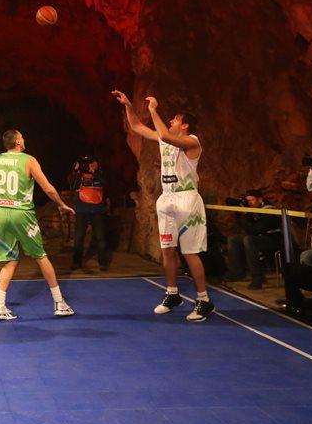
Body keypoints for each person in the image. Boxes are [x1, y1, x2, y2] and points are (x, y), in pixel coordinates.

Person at [111, 91, 214, 321]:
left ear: (185, 125)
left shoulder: (191, 141)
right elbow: (137, 127)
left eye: (175, 119)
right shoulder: (164, 139)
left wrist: (153, 109)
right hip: (167, 199)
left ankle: (204, 300)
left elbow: (167, 137)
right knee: (167, 250)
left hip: (186, 199)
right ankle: (172, 294)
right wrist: (128, 105)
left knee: (189, 253)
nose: (171, 121)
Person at [0, 129, 75, 320]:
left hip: (1, 212)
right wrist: (61, 204)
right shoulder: (28, 160)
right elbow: (48, 188)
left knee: (10, 259)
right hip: (22, 213)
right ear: (18, 141)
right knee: (40, 255)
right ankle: (60, 303)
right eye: (22, 137)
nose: (24, 139)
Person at [224, 190, 282, 289]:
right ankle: (236, 272)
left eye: (252, 200)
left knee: (249, 240)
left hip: (275, 239)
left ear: (260, 199)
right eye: (248, 200)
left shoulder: (268, 209)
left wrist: (246, 215)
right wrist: (240, 214)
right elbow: (248, 228)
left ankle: (257, 277)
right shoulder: (254, 209)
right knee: (233, 239)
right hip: (260, 237)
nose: (249, 203)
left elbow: (255, 230)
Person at [70, 155, 111, 270]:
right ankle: (76, 262)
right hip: (82, 211)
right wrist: (77, 171)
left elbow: (106, 184)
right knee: (78, 238)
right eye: (87, 164)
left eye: (93, 163)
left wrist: (94, 173)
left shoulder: (100, 175)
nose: (89, 165)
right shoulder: (79, 175)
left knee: (100, 238)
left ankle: (103, 263)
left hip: (98, 211)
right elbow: (74, 185)